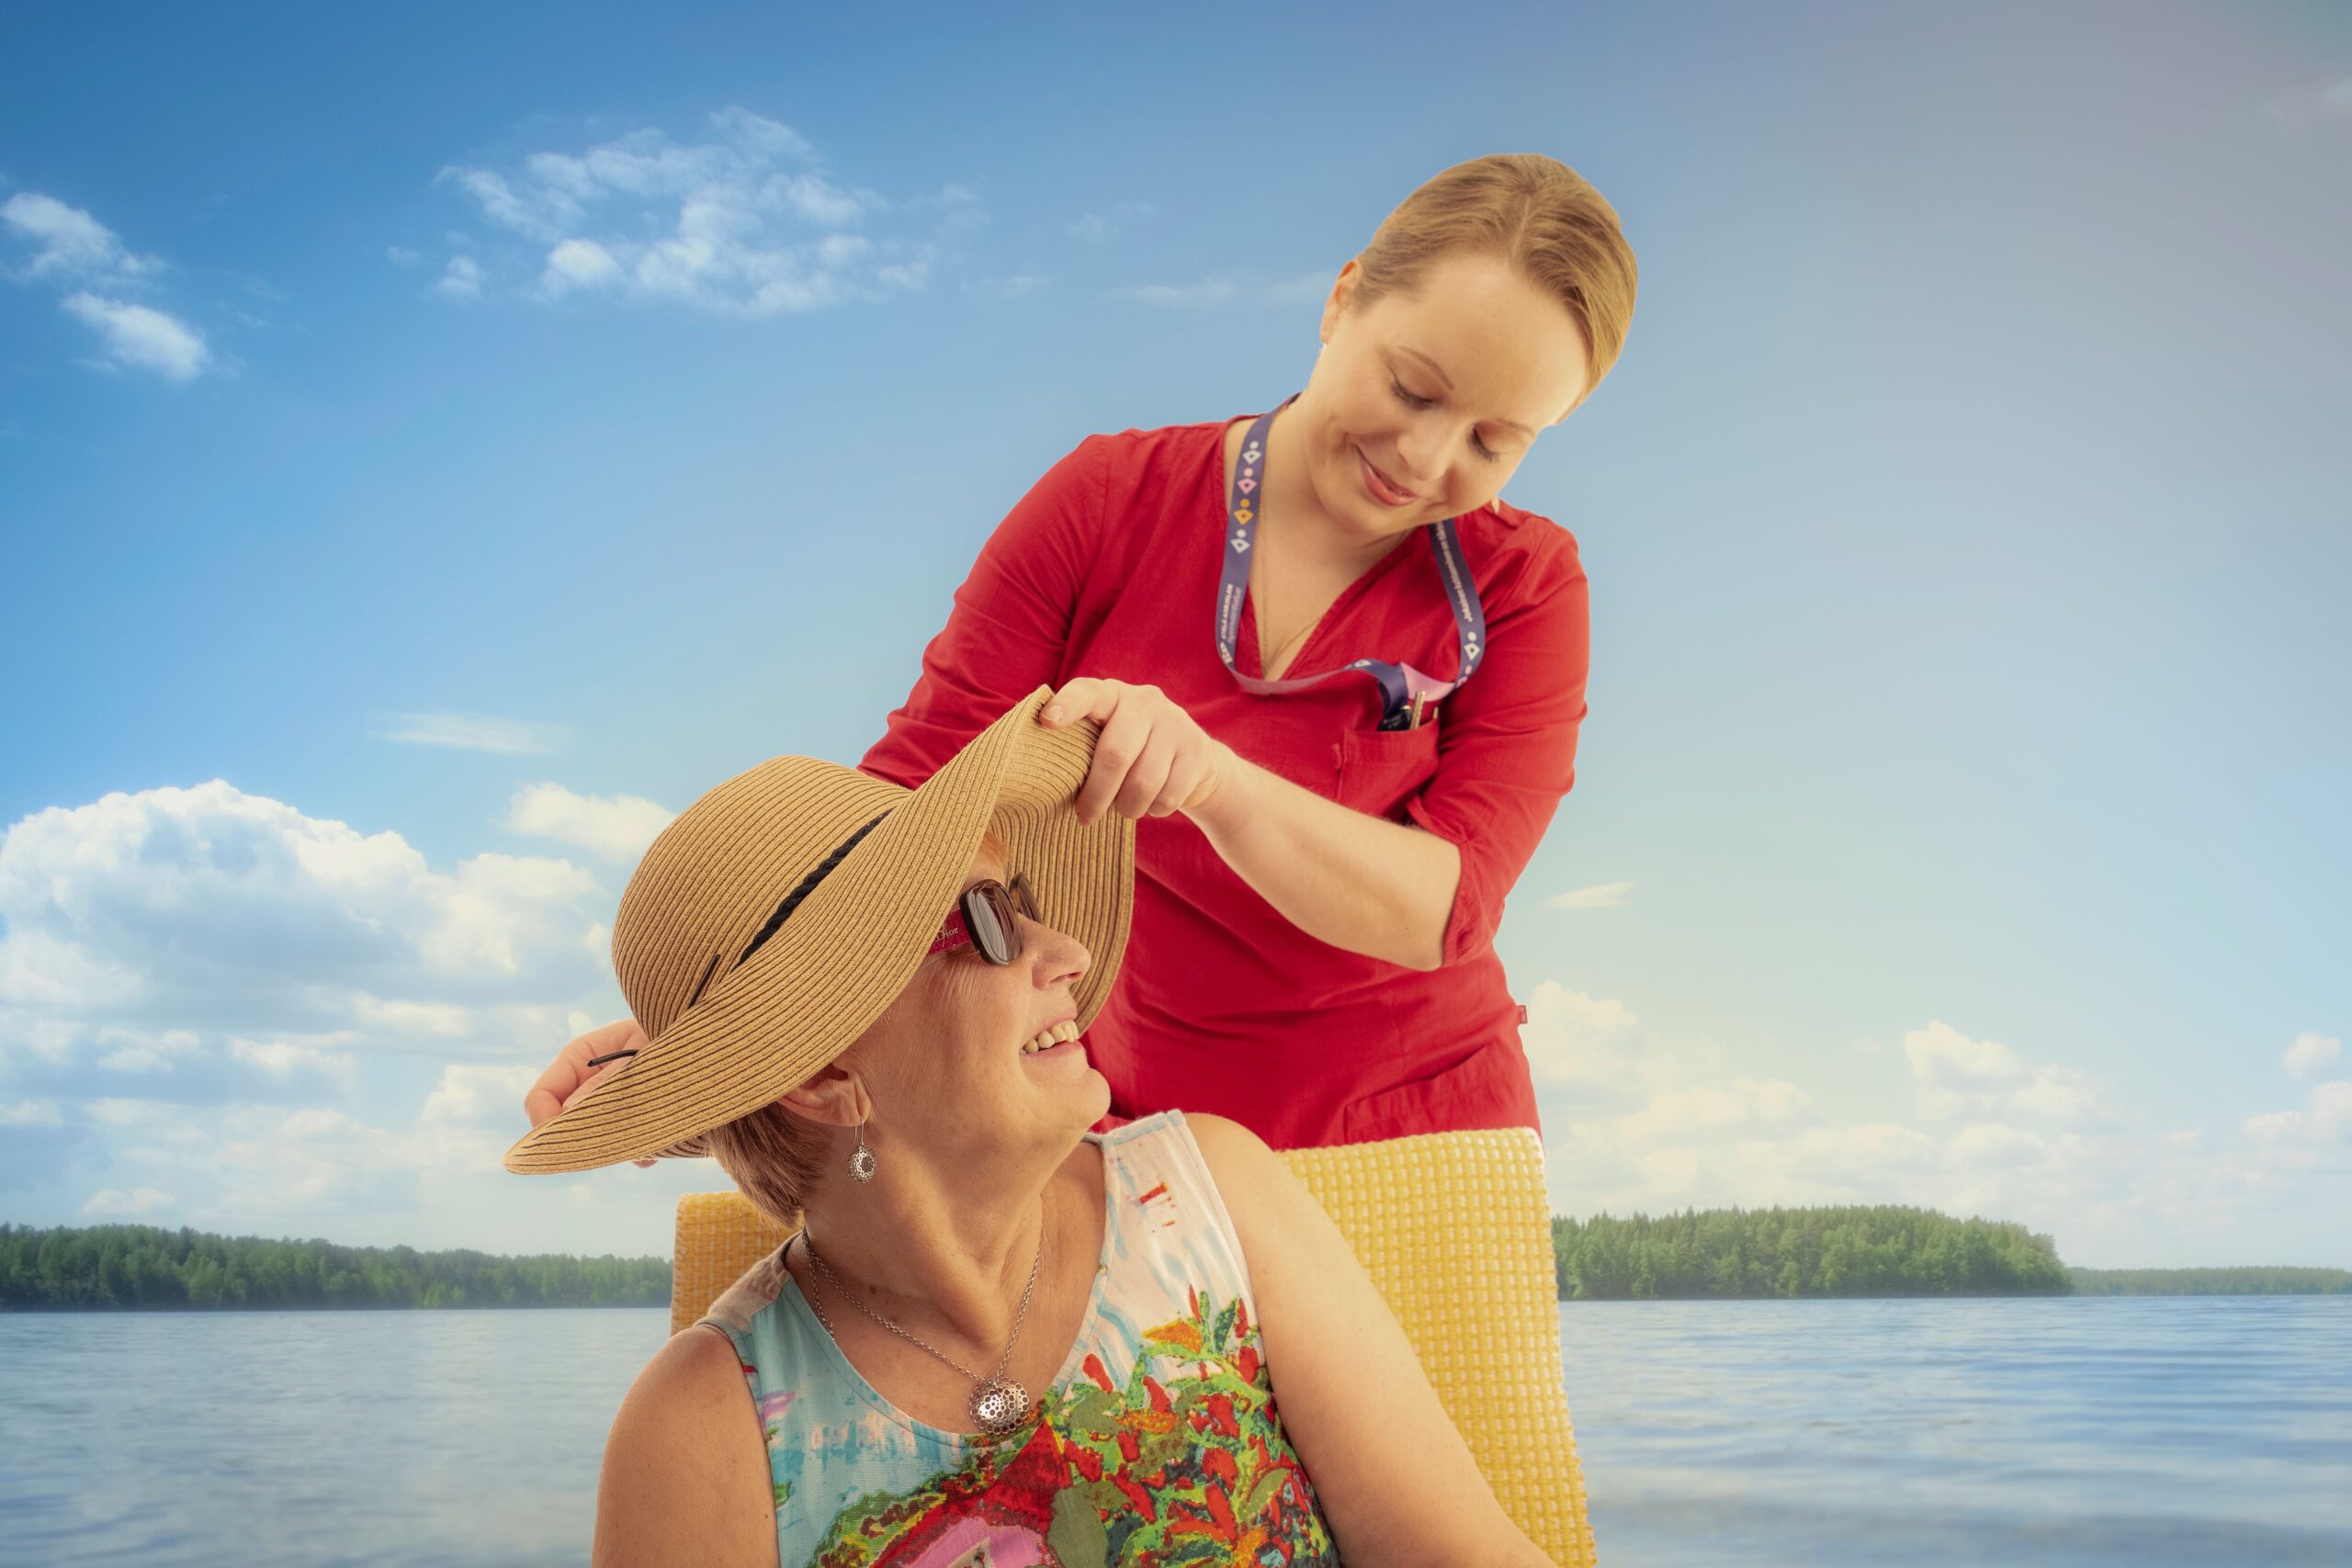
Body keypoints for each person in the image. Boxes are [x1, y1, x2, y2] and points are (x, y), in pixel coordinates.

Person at [526, 152, 1639, 1156]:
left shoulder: (1525, 584)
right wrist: (710, 1042)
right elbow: (913, 801)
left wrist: (1210, 783)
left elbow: (1442, 909)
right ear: (1342, 296)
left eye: (1497, 440)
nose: (1425, 455)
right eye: (1412, 387)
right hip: (1135, 1133)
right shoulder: (1108, 502)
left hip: (1420, 1133)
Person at [505, 690, 1566, 1566]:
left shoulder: (1211, 1197)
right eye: (982, 919)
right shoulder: (701, 1427)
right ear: (824, 1071)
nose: (1063, 949)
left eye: (1018, 896)